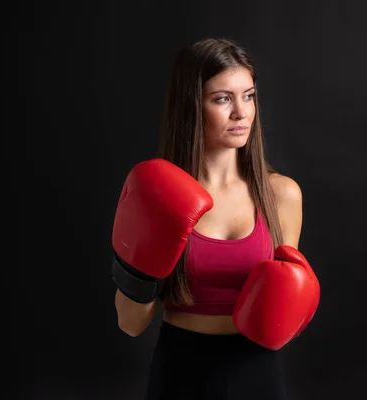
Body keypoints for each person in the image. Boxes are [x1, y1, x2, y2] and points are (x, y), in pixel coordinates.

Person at [110, 37, 320, 399]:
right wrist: (142, 269)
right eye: (223, 98)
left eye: (249, 95)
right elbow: (130, 324)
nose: (242, 112)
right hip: (180, 371)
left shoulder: (281, 195)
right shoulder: (160, 195)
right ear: (192, 105)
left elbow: (282, 315)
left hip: (257, 373)